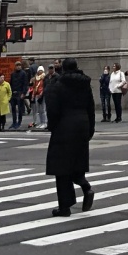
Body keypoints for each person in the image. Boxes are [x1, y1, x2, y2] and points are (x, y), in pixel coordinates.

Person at [45, 57, 95, 217]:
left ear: (63, 69)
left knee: (61, 167)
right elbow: (91, 107)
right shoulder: (85, 84)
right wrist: (90, 129)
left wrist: (52, 126)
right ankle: (85, 186)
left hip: (64, 125)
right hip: (82, 124)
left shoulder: (59, 85)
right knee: (77, 162)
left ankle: (65, 206)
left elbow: (53, 109)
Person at [9, 59, 28, 130]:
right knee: (13, 109)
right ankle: (14, 122)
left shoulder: (23, 73)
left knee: (20, 109)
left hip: (20, 92)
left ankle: (19, 122)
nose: (18, 67)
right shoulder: (13, 74)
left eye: (19, 65)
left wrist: (24, 93)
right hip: (13, 93)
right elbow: (11, 84)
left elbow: (25, 84)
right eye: (17, 65)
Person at [29, 66, 47, 131]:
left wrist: (41, 93)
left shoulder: (44, 78)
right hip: (36, 95)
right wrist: (33, 95)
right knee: (39, 110)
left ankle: (44, 122)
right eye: (39, 70)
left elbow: (44, 86)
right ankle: (41, 122)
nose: (40, 72)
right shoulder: (36, 79)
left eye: (41, 70)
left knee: (43, 110)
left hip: (41, 95)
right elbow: (34, 87)